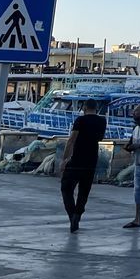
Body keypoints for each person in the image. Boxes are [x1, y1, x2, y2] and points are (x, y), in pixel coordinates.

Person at [61, 100, 106, 233]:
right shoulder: (102, 121)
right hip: (92, 160)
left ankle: (72, 215)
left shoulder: (80, 120)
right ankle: (78, 215)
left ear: (85, 107)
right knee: (84, 191)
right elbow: (100, 138)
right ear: (96, 108)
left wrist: (64, 160)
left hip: (77, 160)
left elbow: (71, 140)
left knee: (66, 188)